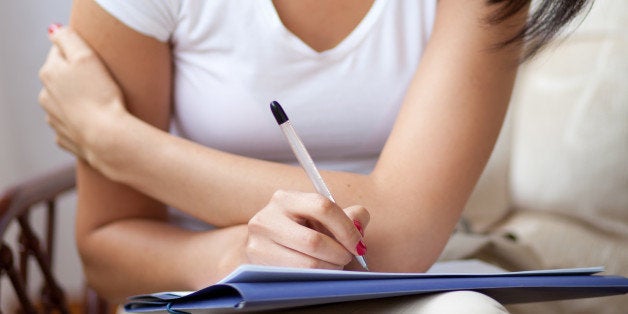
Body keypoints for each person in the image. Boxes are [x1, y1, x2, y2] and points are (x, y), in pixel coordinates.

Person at [38, 0, 592, 311]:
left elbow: (401, 235)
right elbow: (105, 251)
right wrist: (241, 255)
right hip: (204, 283)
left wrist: (115, 141)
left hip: (403, 281)